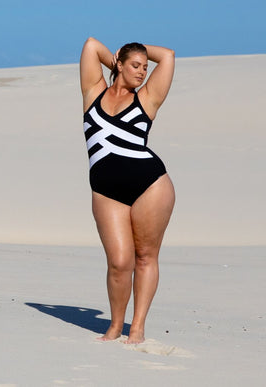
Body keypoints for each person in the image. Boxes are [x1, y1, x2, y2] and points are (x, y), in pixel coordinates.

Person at [79, 37, 176, 344]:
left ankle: (137, 326)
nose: (142, 72)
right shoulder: (92, 92)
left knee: (145, 257)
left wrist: (137, 52)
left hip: (150, 185)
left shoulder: (147, 98)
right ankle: (114, 325)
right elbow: (91, 45)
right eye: (135, 66)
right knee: (120, 262)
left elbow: (169, 55)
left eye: (146, 68)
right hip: (106, 191)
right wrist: (117, 59)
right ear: (119, 64)